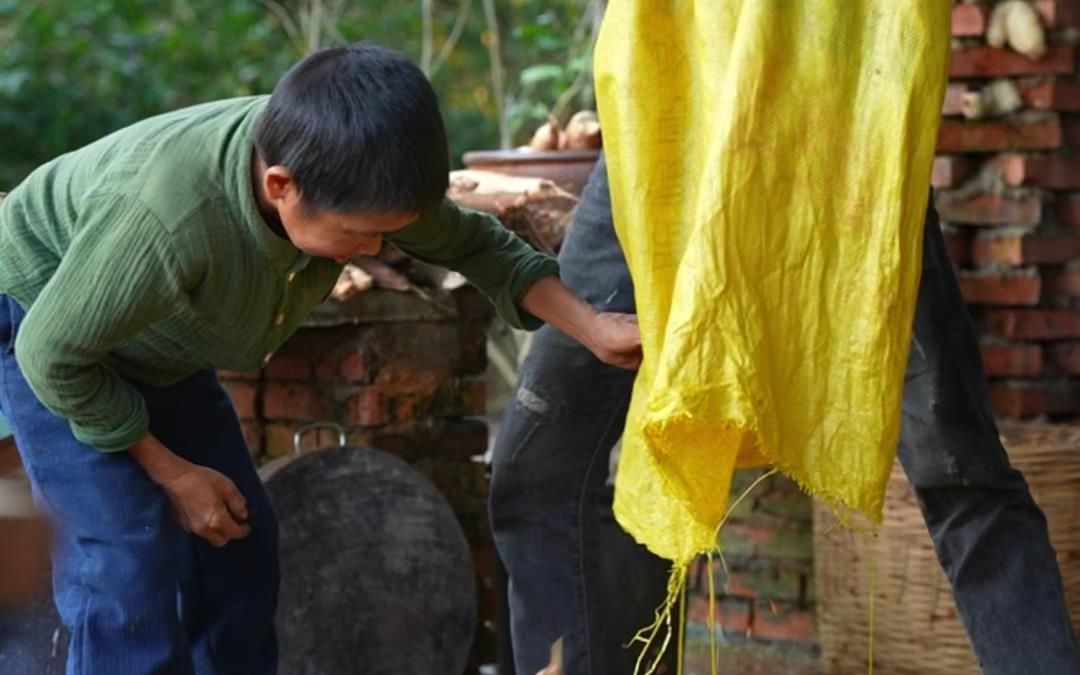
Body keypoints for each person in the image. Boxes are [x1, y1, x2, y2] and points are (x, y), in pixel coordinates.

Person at [0, 43, 641, 675]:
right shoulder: (170, 218)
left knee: (240, 542)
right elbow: (53, 354)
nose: (376, 247)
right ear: (281, 186)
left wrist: (593, 327)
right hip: (44, 323)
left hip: (156, 336)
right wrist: (172, 474)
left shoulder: (352, 168)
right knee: (126, 557)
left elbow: (479, 248)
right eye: (360, 233)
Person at [490, 154, 1080, 675]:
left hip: (840, 131)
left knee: (958, 469)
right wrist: (588, 323)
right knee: (538, 467)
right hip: (658, 142)